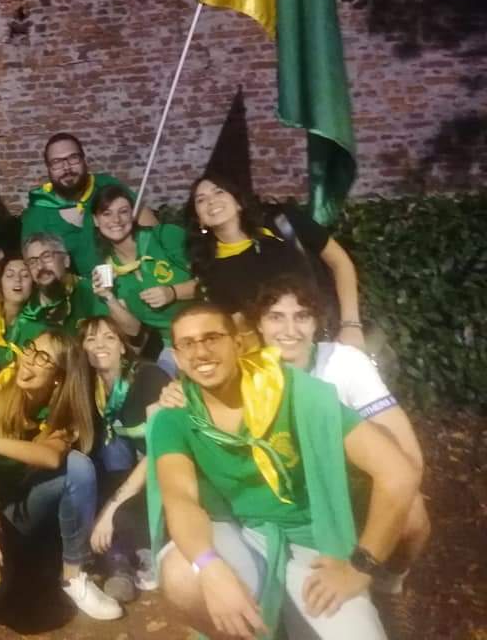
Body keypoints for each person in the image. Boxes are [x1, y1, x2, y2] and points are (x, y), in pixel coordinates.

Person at [148, 303, 420, 640]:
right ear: (176, 358)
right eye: (187, 344)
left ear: (237, 343)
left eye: (212, 338)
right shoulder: (175, 418)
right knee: (182, 574)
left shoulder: (291, 392)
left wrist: (361, 567)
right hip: (237, 532)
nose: (201, 352)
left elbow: (398, 473)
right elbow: (180, 499)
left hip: (313, 543)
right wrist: (210, 568)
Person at [250, 274, 429, 593]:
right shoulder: (246, 369)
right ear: (259, 325)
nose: (290, 330)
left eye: (301, 316)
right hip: (285, 490)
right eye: (276, 317)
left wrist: (397, 491)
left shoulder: (345, 362)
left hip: (350, 478)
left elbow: (408, 453)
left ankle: (388, 579)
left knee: (414, 519)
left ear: (316, 322)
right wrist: (174, 394)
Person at [0, 330, 124, 620]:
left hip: (14, 511)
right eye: (30, 349)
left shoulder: (63, 412)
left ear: (59, 376)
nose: (29, 360)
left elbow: (51, 456)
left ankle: (73, 577)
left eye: (43, 358)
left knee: (78, 466)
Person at [184, 173, 366, 348]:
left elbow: (340, 262)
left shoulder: (282, 221)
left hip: (331, 335)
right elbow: (238, 326)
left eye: (219, 192)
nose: (211, 201)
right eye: (201, 200)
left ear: (238, 202)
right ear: (200, 220)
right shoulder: (211, 269)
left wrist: (351, 325)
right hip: (278, 356)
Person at [81, 316, 170, 604]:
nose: (100, 345)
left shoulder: (148, 377)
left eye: (109, 337)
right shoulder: (90, 388)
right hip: (132, 468)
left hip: (170, 466)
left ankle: (145, 549)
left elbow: (160, 450)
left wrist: (111, 509)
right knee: (105, 451)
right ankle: (118, 557)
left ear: (122, 346)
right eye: (91, 339)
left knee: (120, 509)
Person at [20, 132, 159, 276]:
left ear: (84, 160)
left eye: (73, 158)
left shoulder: (107, 186)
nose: (66, 168)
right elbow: (33, 268)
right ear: (48, 168)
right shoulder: (38, 211)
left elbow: (153, 231)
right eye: (56, 162)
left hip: (129, 277)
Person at [92, 184, 197, 365]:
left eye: (123, 212)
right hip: (171, 349)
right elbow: (134, 331)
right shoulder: (108, 271)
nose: (116, 220)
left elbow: (211, 281)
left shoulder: (165, 236)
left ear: (133, 215)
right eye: (107, 214)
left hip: (205, 330)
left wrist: (173, 292)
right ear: (96, 220)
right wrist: (108, 297)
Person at [23, 231, 141, 339]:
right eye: (32, 262)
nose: (40, 266)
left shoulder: (92, 291)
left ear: (66, 261)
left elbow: (134, 332)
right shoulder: (28, 310)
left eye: (46, 257)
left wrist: (109, 298)